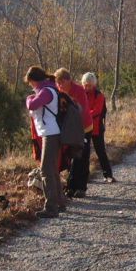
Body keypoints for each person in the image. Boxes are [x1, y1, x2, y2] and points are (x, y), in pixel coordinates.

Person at [24, 66, 67, 218]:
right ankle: (60, 202)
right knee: (52, 169)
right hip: (49, 133)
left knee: (46, 170)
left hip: (51, 134)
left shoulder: (47, 91)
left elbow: (32, 105)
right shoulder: (48, 89)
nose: (30, 86)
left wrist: (29, 98)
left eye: (30, 83)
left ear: (35, 80)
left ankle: (51, 207)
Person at [55, 68, 93, 198]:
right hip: (69, 130)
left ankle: (81, 187)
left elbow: (80, 112)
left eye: (62, 82)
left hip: (84, 128)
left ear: (68, 80)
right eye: (58, 83)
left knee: (82, 157)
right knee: (72, 158)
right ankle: (71, 186)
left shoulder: (78, 91)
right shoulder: (59, 91)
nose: (60, 85)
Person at [82, 72, 114, 183]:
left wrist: (84, 115)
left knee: (100, 151)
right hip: (83, 128)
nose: (87, 87)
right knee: (83, 153)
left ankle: (108, 175)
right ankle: (84, 176)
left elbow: (97, 111)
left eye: (89, 85)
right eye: (85, 85)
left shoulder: (99, 95)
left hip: (96, 128)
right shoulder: (81, 94)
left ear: (94, 84)